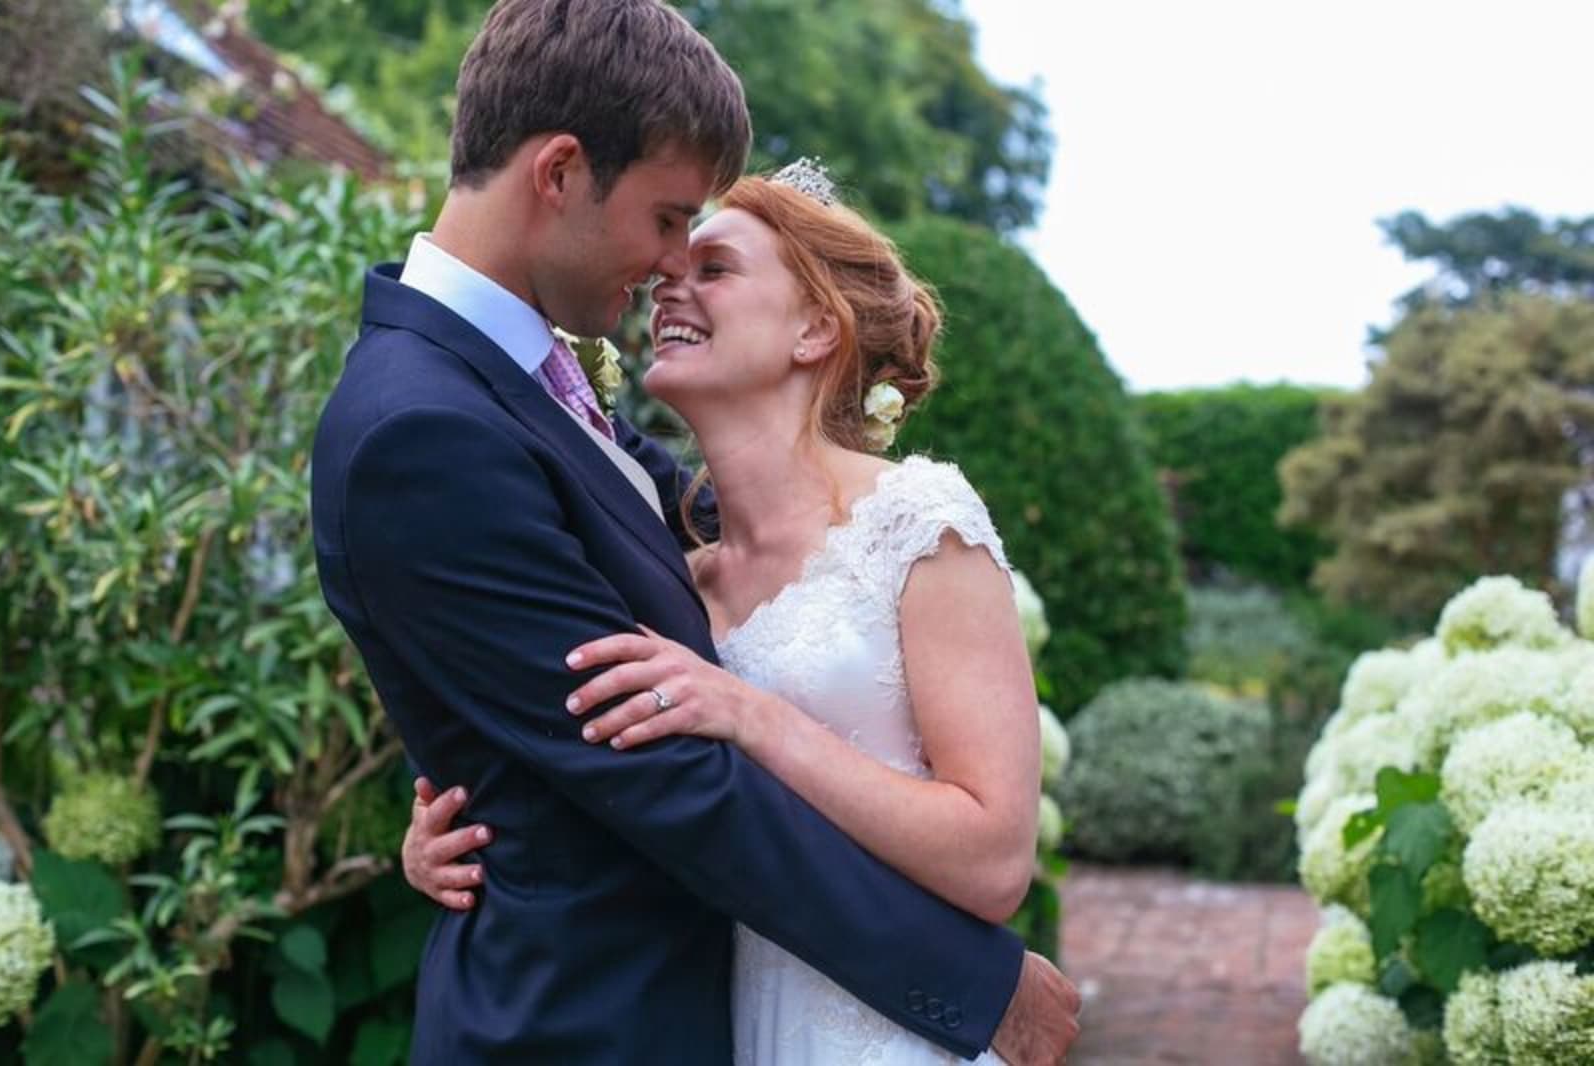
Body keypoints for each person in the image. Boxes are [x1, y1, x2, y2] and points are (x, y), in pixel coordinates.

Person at [310, 0, 1079, 1061]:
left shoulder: (537, 394)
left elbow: (734, 553)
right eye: (671, 219)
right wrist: (966, 981)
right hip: (582, 1023)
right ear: (561, 172)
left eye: (705, 249)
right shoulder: (421, 425)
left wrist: (480, 767)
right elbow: (650, 765)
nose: (669, 264)